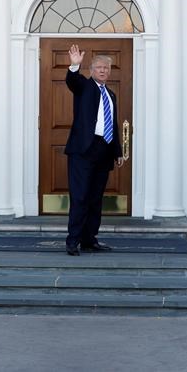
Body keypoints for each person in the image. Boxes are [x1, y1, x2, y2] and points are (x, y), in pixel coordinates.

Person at [64, 44, 124, 256]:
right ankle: (73, 241)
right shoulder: (84, 86)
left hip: (104, 151)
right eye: (99, 67)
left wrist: (117, 152)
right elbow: (72, 81)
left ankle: (89, 239)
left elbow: (113, 125)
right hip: (83, 151)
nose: (103, 70)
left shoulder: (111, 95)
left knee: (95, 199)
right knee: (80, 197)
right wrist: (74, 65)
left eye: (106, 68)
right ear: (91, 70)